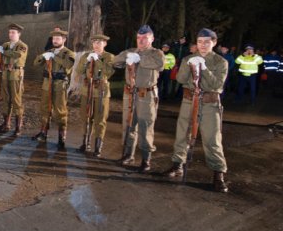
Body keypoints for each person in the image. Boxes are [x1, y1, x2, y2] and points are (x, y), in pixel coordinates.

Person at [162, 28, 229, 193]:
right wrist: (189, 64)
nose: (203, 45)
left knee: (211, 138)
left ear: (214, 43)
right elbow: (180, 79)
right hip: (188, 100)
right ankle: (178, 164)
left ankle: (218, 174)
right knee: (182, 134)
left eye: (207, 42)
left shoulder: (220, 62)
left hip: (209, 102)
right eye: (200, 42)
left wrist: (204, 68)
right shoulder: (188, 59)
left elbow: (216, 85)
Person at [113, 25, 165, 172]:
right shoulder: (130, 51)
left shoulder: (157, 53)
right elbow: (116, 61)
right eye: (139, 38)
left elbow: (160, 65)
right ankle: (128, 155)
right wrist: (128, 57)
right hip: (129, 94)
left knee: (145, 126)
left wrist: (139, 58)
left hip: (146, 95)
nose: (141, 41)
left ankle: (146, 159)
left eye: (145, 38)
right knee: (128, 125)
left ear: (152, 39)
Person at [32, 29, 75, 149]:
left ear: (64, 40)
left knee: (60, 111)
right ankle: (43, 133)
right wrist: (43, 56)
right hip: (47, 83)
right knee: (45, 108)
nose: (55, 40)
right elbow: (36, 63)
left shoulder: (69, 53)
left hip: (60, 85)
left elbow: (68, 65)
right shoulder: (49, 51)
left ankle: (62, 137)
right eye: (54, 38)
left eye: (58, 38)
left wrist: (54, 57)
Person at [76, 34, 115, 157]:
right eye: (94, 42)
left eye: (100, 42)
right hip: (87, 90)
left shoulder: (109, 57)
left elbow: (108, 72)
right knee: (85, 117)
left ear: (105, 44)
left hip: (101, 91)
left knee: (100, 119)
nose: (96, 45)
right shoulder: (86, 56)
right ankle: (85, 142)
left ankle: (98, 147)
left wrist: (97, 60)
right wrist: (86, 62)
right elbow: (78, 71)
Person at [0, 23, 28, 136]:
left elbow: (17, 55)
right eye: (9, 32)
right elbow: (1, 58)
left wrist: (3, 52)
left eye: (13, 32)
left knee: (16, 100)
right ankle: (6, 124)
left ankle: (18, 127)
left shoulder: (22, 45)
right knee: (6, 99)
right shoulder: (5, 45)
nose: (11, 34)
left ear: (19, 34)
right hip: (5, 74)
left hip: (16, 75)